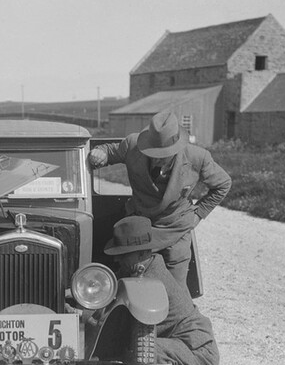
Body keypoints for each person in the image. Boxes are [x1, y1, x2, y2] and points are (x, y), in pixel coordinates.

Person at [89, 110, 231, 289]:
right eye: (151, 153)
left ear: (176, 148)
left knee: (176, 290)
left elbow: (223, 184)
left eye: (162, 155)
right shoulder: (132, 145)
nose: (156, 160)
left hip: (176, 228)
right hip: (139, 230)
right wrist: (99, 153)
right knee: (131, 286)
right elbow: (108, 151)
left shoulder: (197, 157)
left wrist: (198, 214)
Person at [104, 215, 220, 365]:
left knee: (147, 349)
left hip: (200, 353)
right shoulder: (145, 266)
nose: (117, 259)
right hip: (183, 345)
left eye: (123, 254)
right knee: (140, 346)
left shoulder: (151, 279)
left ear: (142, 253)